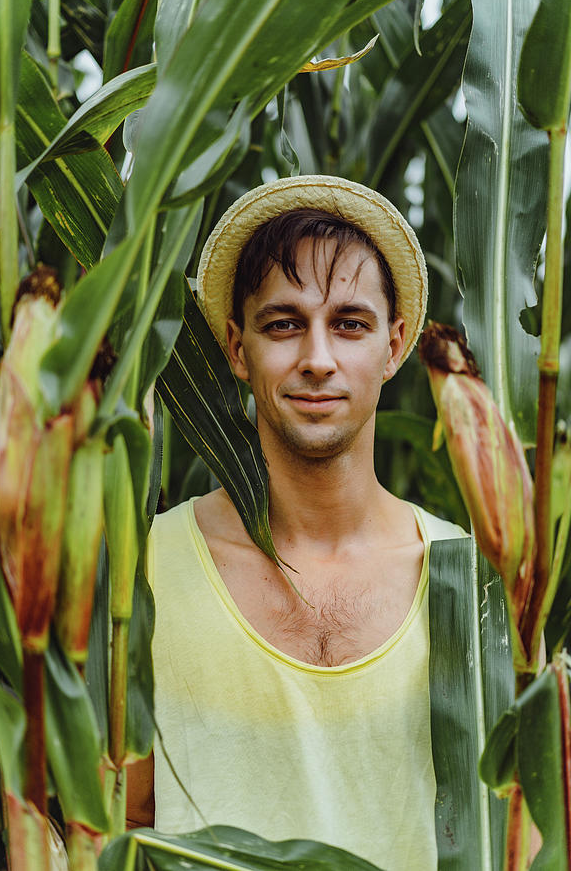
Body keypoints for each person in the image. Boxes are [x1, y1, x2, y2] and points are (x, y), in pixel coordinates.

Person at [126, 176, 466, 869]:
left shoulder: (468, 580)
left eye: (349, 324)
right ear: (235, 347)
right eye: (283, 324)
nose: (317, 358)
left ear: (396, 345)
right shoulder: (143, 573)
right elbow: (115, 818)